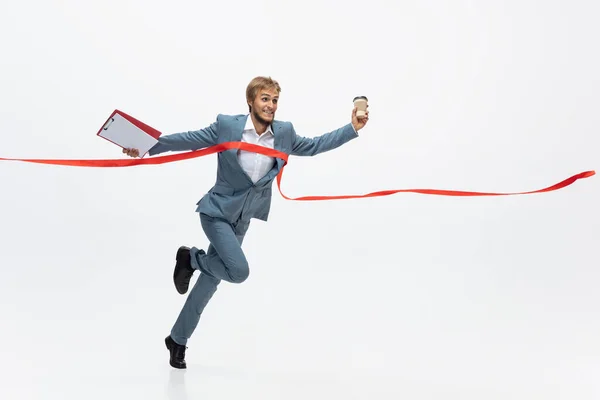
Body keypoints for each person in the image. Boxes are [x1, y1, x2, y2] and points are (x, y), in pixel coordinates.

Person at [123, 76, 369, 369]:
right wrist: (146, 146)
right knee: (238, 272)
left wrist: (352, 128)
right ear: (251, 101)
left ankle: (178, 339)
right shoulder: (228, 126)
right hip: (216, 213)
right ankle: (191, 259)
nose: (271, 105)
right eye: (265, 99)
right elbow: (187, 140)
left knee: (210, 282)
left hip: (242, 219)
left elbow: (314, 146)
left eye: (275, 100)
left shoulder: (284, 133)